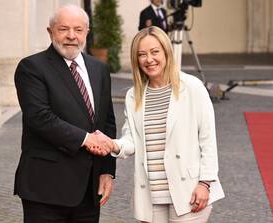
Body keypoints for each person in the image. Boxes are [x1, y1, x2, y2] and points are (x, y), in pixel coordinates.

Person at [103, 26, 225, 222]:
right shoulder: (134, 95)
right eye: (141, 54)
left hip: (189, 191)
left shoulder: (192, 87)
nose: (149, 59)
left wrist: (205, 183)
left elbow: (208, 139)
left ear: (167, 51)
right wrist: (114, 145)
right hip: (150, 194)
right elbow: (132, 138)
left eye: (154, 52)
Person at [13, 4, 116, 223]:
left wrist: (107, 170)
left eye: (78, 30)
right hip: (46, 190)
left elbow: (107, 122)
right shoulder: (31, 67)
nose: (71, 36)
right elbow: (40, 117)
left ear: (87, 32)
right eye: (63, 29)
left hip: (89, 190)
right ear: (50, 31)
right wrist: (87, 139)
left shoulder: (99, 69)